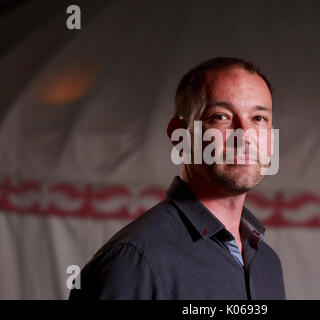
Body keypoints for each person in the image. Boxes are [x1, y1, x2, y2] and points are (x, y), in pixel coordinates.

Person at [69, 57, 285, 300]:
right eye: (221, 116)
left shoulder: (268, 265)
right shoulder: (136, 262)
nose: (245, 136)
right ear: (179, 136)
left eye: (259, 119)